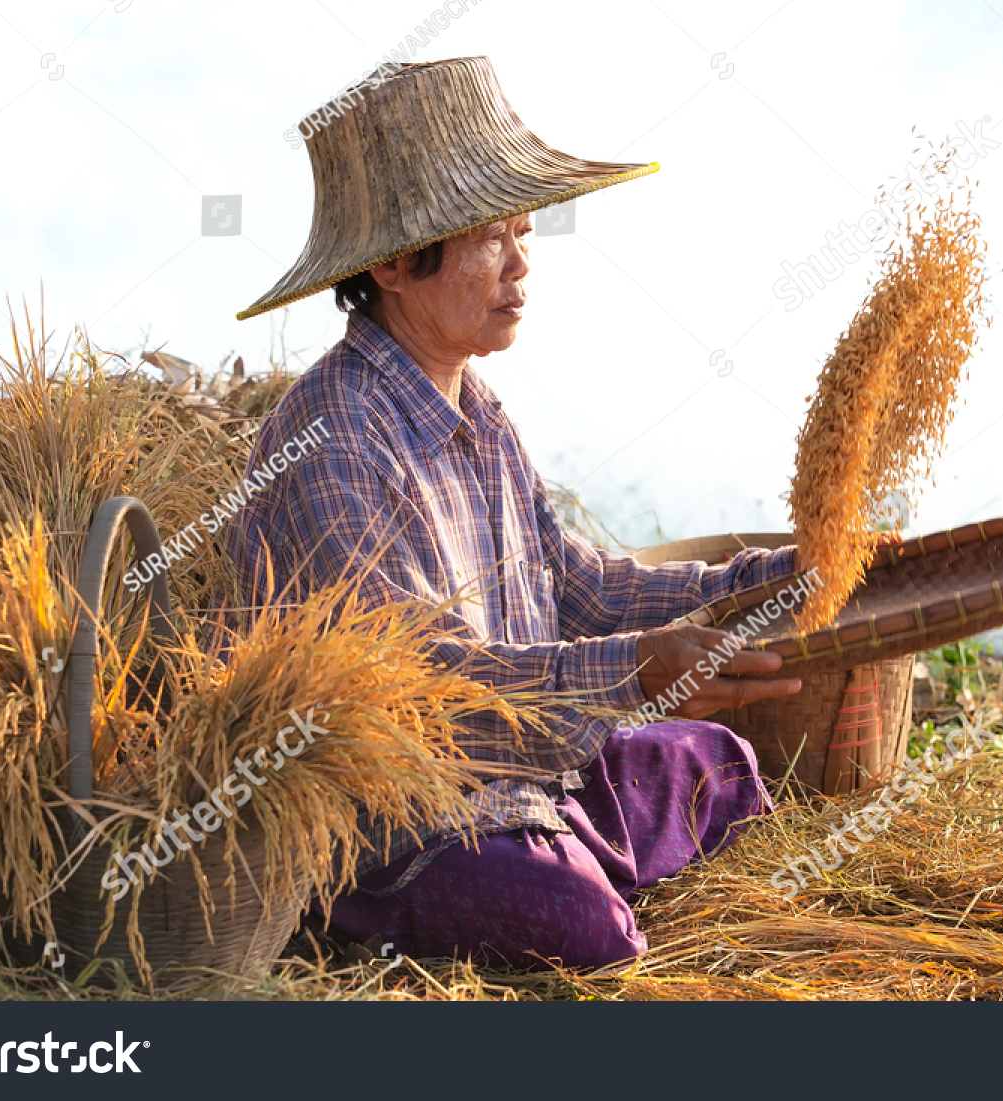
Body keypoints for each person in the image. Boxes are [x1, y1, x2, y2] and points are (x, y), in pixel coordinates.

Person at [227, 56, 804, 970]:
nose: (523, 261)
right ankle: (392, 919)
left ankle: (575, 850)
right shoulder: (331, 441)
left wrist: (763, 579)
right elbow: (419, 690)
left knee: (720, 764)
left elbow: (572, 583)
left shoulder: (477, 410)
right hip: (404, 829)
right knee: (586, 927)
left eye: (524, 230)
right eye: (493, 235)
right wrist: (632, 673)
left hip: (526, 773)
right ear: (391, 263)